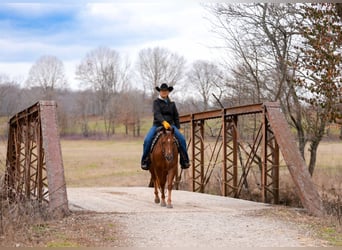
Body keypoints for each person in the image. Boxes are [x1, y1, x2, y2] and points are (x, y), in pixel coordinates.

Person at [141, 83, 190, 170]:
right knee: (147, 140)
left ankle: (184, 161)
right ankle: (145, 160)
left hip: (171, 126)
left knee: (182, 139)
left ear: (168, 92)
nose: (164, 92)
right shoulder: (156, 102)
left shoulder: (172, 104)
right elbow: (157, 114)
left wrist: (178, 128)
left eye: (165, 91)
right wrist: (163, 121)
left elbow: (176, 116)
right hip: (157, 125)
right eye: (162, 91)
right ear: (160, 92)